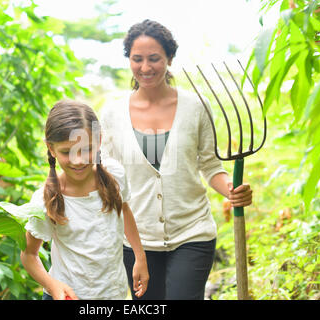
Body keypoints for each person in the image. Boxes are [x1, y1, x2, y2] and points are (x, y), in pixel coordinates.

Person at [100, 19, 253, 300]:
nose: (146, 68)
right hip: (137, 242)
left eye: (155, 58)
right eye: (137, 59)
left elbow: (210, 165)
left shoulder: (196, 107)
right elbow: (106, 178)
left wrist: (232, 190)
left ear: (170, 58)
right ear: (129, 60)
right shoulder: (111, 114)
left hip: (192, 232)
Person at [20, 100, 149, 300]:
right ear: (51, 149)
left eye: (86, 149)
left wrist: (140, 257)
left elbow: (123, 211)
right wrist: (53, 285)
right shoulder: (45, 200)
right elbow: (29, 255)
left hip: (113, 293)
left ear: (99, 141)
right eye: (66, 151)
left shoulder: (115, 175)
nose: (78, 160)